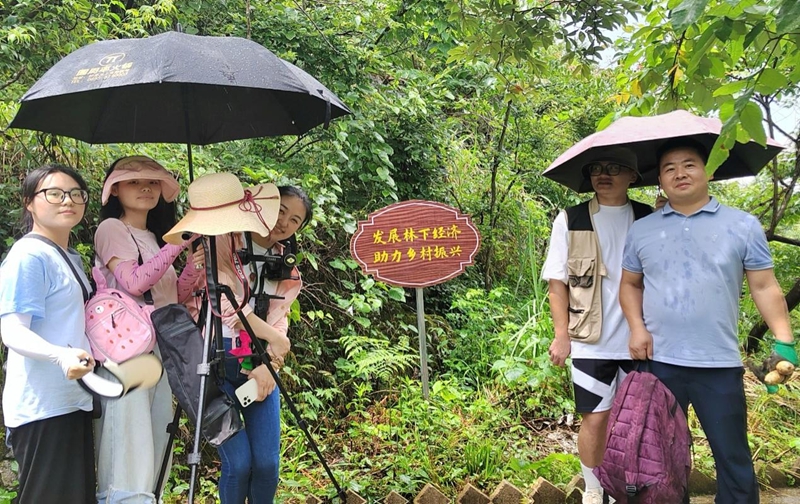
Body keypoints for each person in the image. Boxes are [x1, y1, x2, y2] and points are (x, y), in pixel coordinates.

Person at [620, 137, 796, 504]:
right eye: (669, 168)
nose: (679, 173)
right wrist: (636, 328)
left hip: (718, 364)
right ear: (660, 180)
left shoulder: (742, 225)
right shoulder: (642, 230)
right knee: (659, 461)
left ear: (709, 171)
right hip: (658, 362)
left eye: (689, 164)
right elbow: (630, 284)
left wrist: (784, 341)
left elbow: (764, 286)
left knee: (732, 458)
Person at [164, 173, 300, 503]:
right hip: (214, 358)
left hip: (257, 362)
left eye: (295, 220)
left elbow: (279, 320)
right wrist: (275, 342)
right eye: (281, 211)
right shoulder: (222, 242)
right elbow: (229, 307)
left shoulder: (286, 266)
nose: (284, 222)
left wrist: (272, 365)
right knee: (238, 465)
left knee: (267, 464)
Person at [541, 146, 652, 504]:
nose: (603, 175)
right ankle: (594, 488)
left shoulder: (649, 218)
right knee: (595, 418)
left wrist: (670, 219)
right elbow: (556, 283)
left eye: (614, 168)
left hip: (642, 339)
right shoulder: (571, 219)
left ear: (633, 176)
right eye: (596, 168)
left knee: (636, 423)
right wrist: (561, 336)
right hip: (590, 341)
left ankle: (625, 489)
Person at [93, 155, 203, 504]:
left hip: (158, 347)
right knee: (128, 437)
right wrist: (179, 242)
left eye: (153, 182)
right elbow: (135, 283)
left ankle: (147, 498)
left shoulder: (153, 237)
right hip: (128, 352)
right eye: (134, 182)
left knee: (156, 433)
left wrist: (193, 267)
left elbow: (169, 298)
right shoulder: (112, 229)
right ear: (115, 190)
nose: (145, 188)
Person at [0, 164, 96, 503]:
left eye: (75, 194)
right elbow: (12, 331)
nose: (67, 200)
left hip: (71, 400)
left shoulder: (67, 255)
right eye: (54, 193)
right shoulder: (29, 255)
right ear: (29, 202)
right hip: (42, 407)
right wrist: (60, 355)